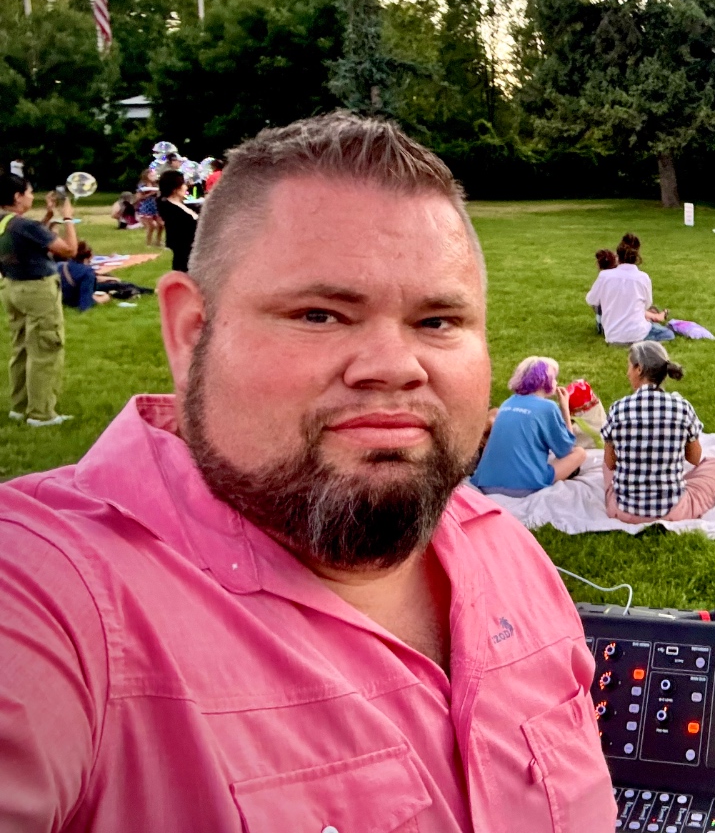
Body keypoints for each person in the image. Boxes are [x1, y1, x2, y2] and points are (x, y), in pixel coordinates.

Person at [0, 114, 615, 831]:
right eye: (320, 314)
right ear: (190, 335)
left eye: (438, 321)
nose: (393, 367)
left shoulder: (512, 558)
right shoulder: (54, 595)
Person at [602, 341, 715, 523]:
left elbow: (610, 462)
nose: (627, 372)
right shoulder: (681, 407)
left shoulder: (618, 408)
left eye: (629, 367)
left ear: (639, 369)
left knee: (605, 461)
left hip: (623, 511)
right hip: (672, 510)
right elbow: (694, 459)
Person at [1, 174, 79, 427]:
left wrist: (47, 216)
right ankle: (42, 414)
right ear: (17, 196)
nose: (32, 196)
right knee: (45, 348)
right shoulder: (24, 226)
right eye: (29, 192)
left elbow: (29, 238)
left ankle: (20, 406)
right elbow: (69, 250)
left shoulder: (7, 222)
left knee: (22, 347)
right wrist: (67, 217)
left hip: (12, 287)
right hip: (37, 290)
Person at [471, 356, 589, 497]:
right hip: (524, 486)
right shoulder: (548, 407)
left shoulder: (507, 403)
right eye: (554, 378)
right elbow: (566, 449)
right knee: (580, 453)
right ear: (547, 380)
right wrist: (565, 409)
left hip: (485, 482)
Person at [585, 234, 672, 343]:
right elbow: (647, 304)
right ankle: (652, 320)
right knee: (668, 334)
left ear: (618, 256)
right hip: (638, 333)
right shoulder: (643, 277)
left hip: (612, 335)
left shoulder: (605, 276)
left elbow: (591, 300)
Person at [156, 168, 199, 272]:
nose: (186, 187)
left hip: (195, 249)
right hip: (184, 251)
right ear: (175, 188)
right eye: (183, 184)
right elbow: (179, 232)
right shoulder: (169, 207)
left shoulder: (182, 204)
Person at [58, 241, 105, 312]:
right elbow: (85, 304)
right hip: (70, 300)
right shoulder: (87, 273)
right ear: (86, 259)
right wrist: (101, 299)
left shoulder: (60, 265)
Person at [592, 248, 618, 333]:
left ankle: (601, 320)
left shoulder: (603, 277)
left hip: (607, 325)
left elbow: (592, 299)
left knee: (597, 299)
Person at [135, 166, 163, 246]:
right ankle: (148, 243)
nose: (154, 177)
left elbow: (158, 195)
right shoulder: (143, 185)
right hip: (146, 206)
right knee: (151, 226)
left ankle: (158, 241)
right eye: (152, 175)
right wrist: (150, 194)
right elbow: (139, 197)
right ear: (146, 176)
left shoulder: (156, 185)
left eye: (154, 175)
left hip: (156, 206)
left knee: (161, 224)